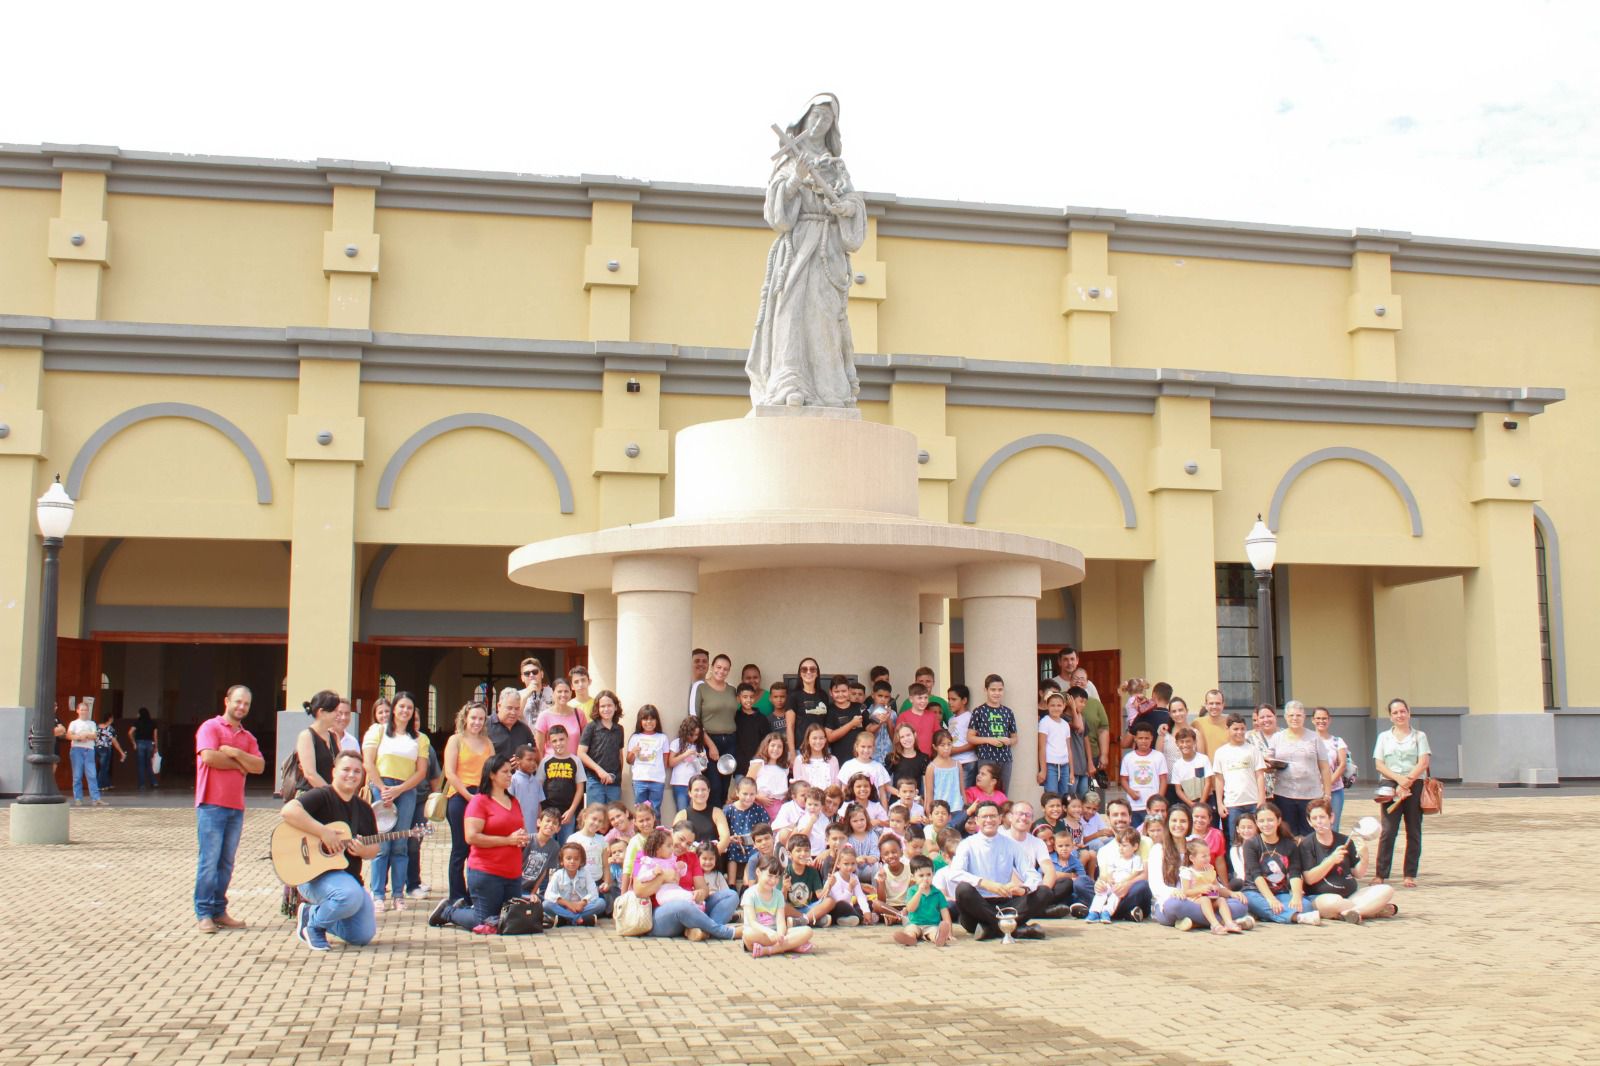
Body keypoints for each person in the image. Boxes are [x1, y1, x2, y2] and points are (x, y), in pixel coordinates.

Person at [746, 93, 867, 408]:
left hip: (829, 248)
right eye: (816, 115)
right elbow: (777, 215)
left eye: (827, 119)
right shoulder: (789, 158)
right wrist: (795, 181)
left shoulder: (836, 165)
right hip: (798, 245)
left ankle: (830, 389)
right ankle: (789, 383)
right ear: (804, 117)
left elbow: (854, 201)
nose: (820, 122)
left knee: (824, 314)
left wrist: (846, 208)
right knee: (791, 310)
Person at [282, 751, 379, 951]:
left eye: (357, 771)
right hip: (314, 875)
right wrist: (323, 832)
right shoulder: (322, 795)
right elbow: (289, 811)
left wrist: (363, 851)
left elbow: (374, 850)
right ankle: (314, 927)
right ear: (334, 772)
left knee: (361, 935)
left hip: (349, 878)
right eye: (346, 770)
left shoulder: (364, 809)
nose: (351, 775)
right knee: (349, 896)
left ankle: (311, 913)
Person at [429, 754, 529, 933]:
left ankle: (464, 908)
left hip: (512, 872)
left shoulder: (514, 801)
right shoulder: (479, 801)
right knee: (484, 921)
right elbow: (472, 837)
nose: (509, 776)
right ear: (492, 775)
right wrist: (507, 840)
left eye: (510, 772)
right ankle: (449, 911)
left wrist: (522, 837)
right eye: (505, 772)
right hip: (487, 871)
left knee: (510, 919)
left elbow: (518, 829)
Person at [191, 685, 262, 934]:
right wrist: (241, 763)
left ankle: (219, 909)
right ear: (227, 701)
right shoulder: (210, 727)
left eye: (246, 704)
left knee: (226, 863)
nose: (241, 707)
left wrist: (234, 753)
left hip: (236, 808)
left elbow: (259, 766)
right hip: (210, 805)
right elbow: (209, 757)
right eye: (238, 702)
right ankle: (204, 913)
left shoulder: (248, 737)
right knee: (209, 862)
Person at [361, 690, 431, 911]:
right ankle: (378, 893)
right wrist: (382, 788)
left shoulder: (420, 738)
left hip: (406, 790)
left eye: (409, 708)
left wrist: (400, 790)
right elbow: (368, 762)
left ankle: (399, 894)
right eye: (401, 706)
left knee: (401, 843)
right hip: (381, 788)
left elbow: (421, 772)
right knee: (382, 844)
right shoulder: (378, 731)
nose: (405, 711)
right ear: (393, 709)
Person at [949, 801, 1044, 939]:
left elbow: (1032, 874)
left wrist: (1024, 888)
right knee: (963, 889)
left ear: (1000, 819)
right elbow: (955, 873)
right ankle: (1012, 930)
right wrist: (985, 883)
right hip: (977, 906)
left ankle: (992, 929)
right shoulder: (966, 844)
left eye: (993, 816)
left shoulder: (1011, 844)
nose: (989, 820)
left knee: (1044, 892)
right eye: (984, 817)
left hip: (1005, 902)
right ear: (977, 820)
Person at [630, 826, 738, 941]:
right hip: (660, 915)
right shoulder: (646, 856)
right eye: (681, 839)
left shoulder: (691, 857)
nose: (683, 846)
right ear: (671, 833)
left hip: (691, 904)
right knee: (682, 906)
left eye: (688, 844)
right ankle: (720, 931)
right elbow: (639, 891)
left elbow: (703, 889)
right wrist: (662, 877)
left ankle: (702, 930)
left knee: (731, 895)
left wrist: (701, 893)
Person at [1300, 799, 1398, 923]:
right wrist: (1331, 860)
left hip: (1351, 895)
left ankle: (1353, 912)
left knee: (1386, 889)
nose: (1319, 821)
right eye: (1314, 818)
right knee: (1333, 902)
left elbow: (1358, 873)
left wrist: (1364, 857)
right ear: (1309, 821)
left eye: (1322, 817)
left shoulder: (1345, 840)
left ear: (1331, 818)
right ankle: (1370, 910)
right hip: (1320, 898)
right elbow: (1309, 878)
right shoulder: (1306, 844)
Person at [1373, 697, 1430, 888]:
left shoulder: (1419, 736)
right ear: (1390, 716)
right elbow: (1379, 764)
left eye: (1402, 711)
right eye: (1395, 713)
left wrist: (1407, 783)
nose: (1399, 715)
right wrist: (1398, 781)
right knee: (1388, 830)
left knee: (1413, 829)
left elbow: (1423, 762)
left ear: (1409, 713)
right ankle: (1381, 873)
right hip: (1390, 784)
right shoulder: (1383, 737)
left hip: (1414, 784)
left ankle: (1409, 874)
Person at [442, 701, 493, 905]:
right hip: (460, 795)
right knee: (460, 848)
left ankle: (475, 892)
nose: (477, 722)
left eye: (481, 719)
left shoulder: (488, 742)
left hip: (482, 796)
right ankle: (457, 894)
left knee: (477, 848)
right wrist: (468, 796)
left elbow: (493, 771)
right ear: (465, 718)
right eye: (473, 718)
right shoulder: (456, 740)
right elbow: (450, 773)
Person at [1242, 802, 1321, 925]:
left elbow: (1295, 873)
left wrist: (1296, 895)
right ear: (1257, 823)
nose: (1266, 824)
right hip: (1255, 891)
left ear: (1278, 821)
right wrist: (1270, 899)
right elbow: (1256, 875)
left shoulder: (1289, 845)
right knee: (1252, 901)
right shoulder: (1251, 844)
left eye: (1270, 820)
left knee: (1305, 906)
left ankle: (1264, 914)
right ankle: (1297, 918)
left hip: (1280, 892)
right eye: (1261, 821)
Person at [1268, 700, 1332, 837]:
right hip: (1284, 794)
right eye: (1291, 715)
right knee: (1287, 833)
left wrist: (1327, 793)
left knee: (1310, 833)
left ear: (1304, 717)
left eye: (1298, 715)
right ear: (1285, 717)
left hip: (1311, 794)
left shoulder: (1314, 738)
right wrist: (1269, 764)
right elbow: (1268, 762)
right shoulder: (1277, 738)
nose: (1295, 718)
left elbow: (1325, 768)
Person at [693, 653, 740, 807]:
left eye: (726, 669)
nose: (722, 671)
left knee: (725, 785)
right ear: (712, 668)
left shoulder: (732, 690)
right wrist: (710, 745)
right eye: (719, 667)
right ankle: (712, 823)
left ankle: (721, 821)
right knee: (714, 785)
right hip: (710, 741)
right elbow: (696, 719)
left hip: (730, 741)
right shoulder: (701, 688)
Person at [1213, 713, 1266, 841]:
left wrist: (1261, 799)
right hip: (1232, 804)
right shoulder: (1221, 752)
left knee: (1256, 839)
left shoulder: (1253, 750)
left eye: (1242, 729)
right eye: (1235, 729)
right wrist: (1220, 804)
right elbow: (1219, 780)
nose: (1239, 732)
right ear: (1228, 729)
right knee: (1234, 840)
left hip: (1253, 802)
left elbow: (1260, 775)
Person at [969, 675, 1018, 794]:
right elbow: (970, 737)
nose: (997, 693)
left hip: (1005, 758)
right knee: (985, 791)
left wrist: (1009, 741)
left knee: (1003, 791)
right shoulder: (979, 711)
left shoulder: (1008, 712)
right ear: (986, 690)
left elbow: (1015, 737)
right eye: (993, 690)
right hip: (986, 757)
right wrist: (989, 740)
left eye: (1000, 690)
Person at [577, 689, 625, 806]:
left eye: (609, 705)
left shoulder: (619, 729)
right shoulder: (591, 727)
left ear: (615, 707)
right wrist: (600, 771)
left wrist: (616, 776)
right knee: (595, 817)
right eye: (602, 706)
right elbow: (581, 753)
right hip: (595, 781)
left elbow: (619, 755)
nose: (606, 709)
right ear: (597, 709)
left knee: (613, 818)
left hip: (613, 782)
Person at [723, 775, 771, 887]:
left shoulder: (758, 809)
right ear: (737, 792)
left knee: (754, 853)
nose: (748, 797)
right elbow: (723, 829)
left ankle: (746, 883)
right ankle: (731, 883)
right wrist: (730, 839)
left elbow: (766, 827)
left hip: (752, 844)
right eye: (745, 794)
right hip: (735, 842)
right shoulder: (729, 809)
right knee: (732, 850)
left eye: (752, 794)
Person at [1087, 829, 1144, 924]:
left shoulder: (1136, 859)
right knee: (1101, 892)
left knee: (1115, 896)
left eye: (1125, 846)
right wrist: (1108, 878)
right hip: (1112, 881)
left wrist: (1125, 881)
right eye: (1120, 845)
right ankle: (1094, 911)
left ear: (1135, 846)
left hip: (1122, 884)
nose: (1121, 848)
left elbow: (1136, 873)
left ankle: (1106, 912)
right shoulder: (1116, 858)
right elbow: (1109, 870)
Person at [538, 725, 584, 843]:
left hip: (567, 813)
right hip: (548, 812)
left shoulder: (576, 761)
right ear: (549, 743)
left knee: (566, 844)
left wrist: (572, 810)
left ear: (567, 739)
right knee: (547, 843)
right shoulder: (546, 761)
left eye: (561, 739)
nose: (558, 743)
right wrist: (540, 811)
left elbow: (580, 789)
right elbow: (538, 786)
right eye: (554, 741)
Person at [544, 842, 605, 927]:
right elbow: (548, 894)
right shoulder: (558, 874)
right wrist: (568, 904)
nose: (572, 861)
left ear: (581, 861)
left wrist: (582, 903)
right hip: (564, 907)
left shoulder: (585, 873)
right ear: (562, 861)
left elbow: (594, 893)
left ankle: (565, 919)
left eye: (576, 859)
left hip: (582, 907)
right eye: (568, 858)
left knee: (601, 903)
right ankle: (578, 919)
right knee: (546, 904)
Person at [1119, 721, 1167, 827]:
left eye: (1146, 738)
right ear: (1135, 739)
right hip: (1134, 805)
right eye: (1140, 738)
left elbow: (1163, 779)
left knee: (1153, 831)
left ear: (1152, 739)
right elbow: (1123, 779)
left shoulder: (1158, 756)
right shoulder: (1128, 758)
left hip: (1152, 807)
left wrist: (1158, 799)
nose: (1143, 741)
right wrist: (1130, 792)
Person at [293, 691, 343, 793]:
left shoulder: (334, 736)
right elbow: (310, 774)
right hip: (310, 795)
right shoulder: (306, 736)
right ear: (321, 712)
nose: (339, 715)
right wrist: (333, 794)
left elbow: (340, 766)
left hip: (330, 794)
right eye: (335, 711)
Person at [1313, 706, 1353, 831]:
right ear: (1313, 720)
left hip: (1335, 790)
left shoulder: (1337, 741)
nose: (1321, 721)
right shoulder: (1308, 740)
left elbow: (1342, 765)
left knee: (1333, 825)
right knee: (1314, 824)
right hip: (1312, 790)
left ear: (1329, 720)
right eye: (1318, 718)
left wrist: (1327, 785)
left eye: (1324, 718)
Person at [625, 703, 668, 813]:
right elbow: (629, 761)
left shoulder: (662, 738)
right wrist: (634, 752)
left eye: (652, 719)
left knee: (655, 810)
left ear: (657, 721)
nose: (649, 722)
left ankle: (657, 830)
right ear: (640, 721)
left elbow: (665, 760)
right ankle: (640, 830)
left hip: (657, 780)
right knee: (640, 810)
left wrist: (661, 774)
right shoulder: (635, 737)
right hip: (639, 779)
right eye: (645, 719)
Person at [674, 774, 731, 855]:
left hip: (712, 860)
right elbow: (675, 840)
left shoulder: (717, 812)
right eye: (696, 790)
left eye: (703, 789)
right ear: (690, 793)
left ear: (709, 791)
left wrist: (709, 856)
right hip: (689, 860)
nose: (700, 793)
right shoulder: (682, 815)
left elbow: (725, 838)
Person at [823, 674, 870, 765]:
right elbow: (830, 737)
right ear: (830, 692)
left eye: (844, 691)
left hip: (861, 759)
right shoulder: (829, 710)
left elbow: (870, 728)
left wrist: (880, 720)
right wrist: (851, 724)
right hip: (839, 760)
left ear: (849, 691)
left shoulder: (860, 707)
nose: (840, 694)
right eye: (837, 691)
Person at [667, 715, 710, 814]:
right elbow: (671, 762)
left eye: (697, 735)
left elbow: (703, 769)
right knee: (682, 811)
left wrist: (703, 759)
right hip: (680, 783)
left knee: (696, 811)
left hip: (696, 784)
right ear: (685, 732)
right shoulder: (677, 743)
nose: (694, 737)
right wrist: (685, 754)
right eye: (692, 734)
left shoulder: (700, 747)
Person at [64, 700, 103, 806]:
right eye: (82, 710)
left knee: (92, 774)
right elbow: (69, 735)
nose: (84, 712)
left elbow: (94, 736)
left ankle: (96, 798)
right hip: (77, 749)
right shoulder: (74, 723)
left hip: (89, 749)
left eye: (86, 710)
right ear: (77, 711)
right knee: (77, 775)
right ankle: (78, 798)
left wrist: (84, 735)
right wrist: (79, 737)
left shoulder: (92, 723)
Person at [1037, 690, 1074, 796]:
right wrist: (1043, 770)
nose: (1056, 708)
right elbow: (1042, 747)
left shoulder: (1065, 724)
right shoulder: (1045, 722)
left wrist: (1071, 771)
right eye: (1052, 705)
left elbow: (1069, 748)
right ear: (1047, 706)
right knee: (1052, 795)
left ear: (1064, 706)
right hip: (1050, 765)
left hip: (1064, 765)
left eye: (1059, 705)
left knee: (1064, 796)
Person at [748, 731, 792, 820]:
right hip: (759, 803)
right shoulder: (758, 764)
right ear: (766, 746)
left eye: (780, 746)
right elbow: (747, 784)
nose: (776, 749)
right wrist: (757, 797)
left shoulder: (784, 767)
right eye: (773, 745)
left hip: (779, 805)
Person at [790, 722, 838, 791]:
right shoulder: (800, 760)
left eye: (821, 738)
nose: (818, 741)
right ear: (808, 740)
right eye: (814, 738)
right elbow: (798, 787)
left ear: (825, 740)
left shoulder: (833, 760)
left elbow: (836, 785)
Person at [128, 707, 159, 792]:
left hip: (140, 743)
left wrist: (134, 743)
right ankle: (154, 782)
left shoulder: (137, 722)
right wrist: (156, 747)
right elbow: (155, 736)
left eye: (138, 713)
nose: (137, 715)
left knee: (141, 765)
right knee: (149, 764)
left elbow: (130, 732)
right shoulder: (153, 723)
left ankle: (142, 784)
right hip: (149, 744)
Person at [94, 710, 125, 793]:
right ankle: (99, 785)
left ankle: (107, 784)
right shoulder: (110, 729)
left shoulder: (97, 726)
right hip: (105, 748)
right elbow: (114, 741)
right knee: (104, 768)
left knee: (103, 767)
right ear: (110, 719)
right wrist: (121, 752)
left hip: (96, 748)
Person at [1195, 689, 1231, 757]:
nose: (1214, 706)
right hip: (1204, 767)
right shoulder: (1197, 723)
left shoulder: (1230, 723)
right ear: (1206, 705)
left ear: (1223, 705)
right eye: (1211, 703)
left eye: (1218, 703)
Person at [518, 657, 554, 721]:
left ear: (542, 674)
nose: (531, 675)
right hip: (526, 730)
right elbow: (516, 717)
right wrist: (526, 695)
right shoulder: (517, 695)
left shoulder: (552, 692)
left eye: (535, 672)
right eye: (527, 673)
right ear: (522, 678)